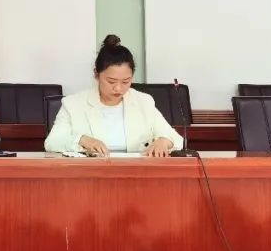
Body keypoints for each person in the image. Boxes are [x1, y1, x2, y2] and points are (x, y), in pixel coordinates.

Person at [44, 34, 182, 158]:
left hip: (135, 171)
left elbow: (176, 139)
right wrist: (83, 140)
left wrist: (163, 141)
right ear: (96, 74)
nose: (118, 88)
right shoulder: (73, 104)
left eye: (126, 81)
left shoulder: (144, 102)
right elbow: (52, 142)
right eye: (111, 81)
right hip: (91, 173)